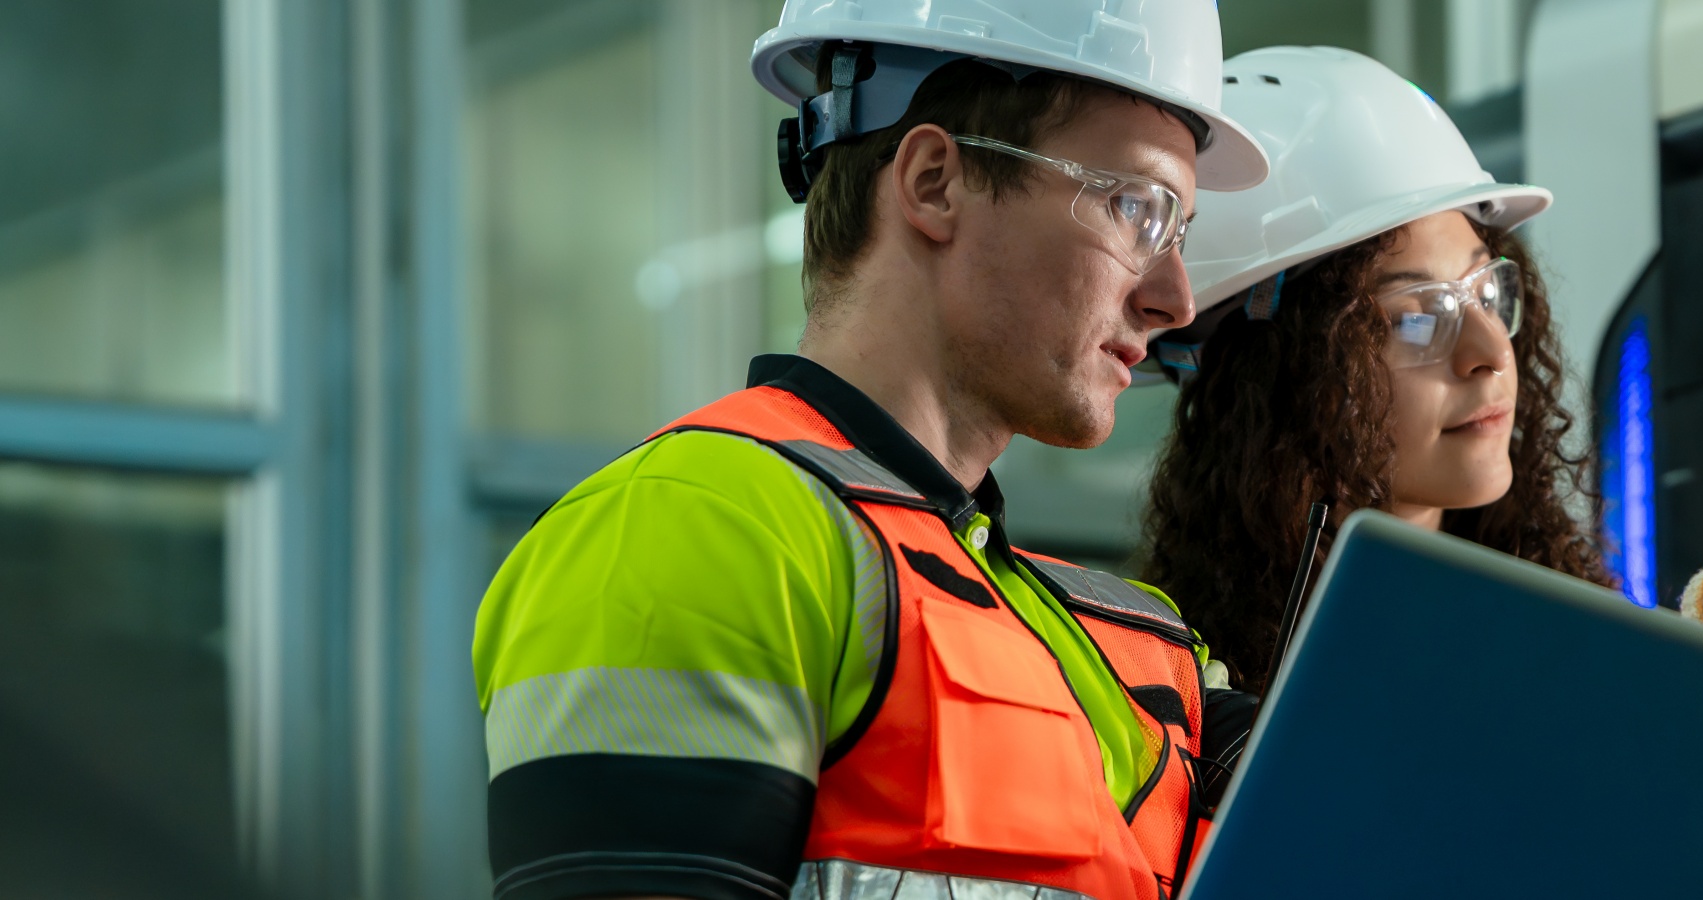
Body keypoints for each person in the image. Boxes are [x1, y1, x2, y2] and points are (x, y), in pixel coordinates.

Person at [469, 3, 1267, 900]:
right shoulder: (699, 527)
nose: (1175, 298)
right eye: (1136, 209)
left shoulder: (1105, 639)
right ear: (934, 182)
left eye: (1180, 232)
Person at [1139, 48, 1703, 847]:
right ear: (1261, 378)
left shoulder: (1552, 655)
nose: (1491, 351)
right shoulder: (1165, 696)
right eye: (1416, 317)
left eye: (1489, 291)